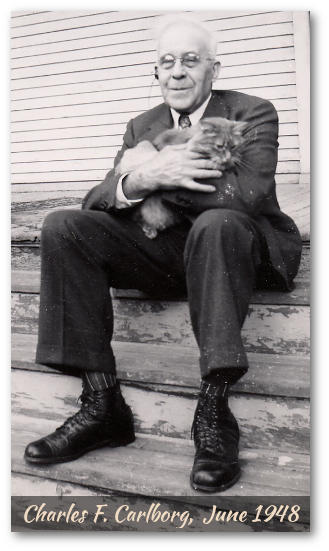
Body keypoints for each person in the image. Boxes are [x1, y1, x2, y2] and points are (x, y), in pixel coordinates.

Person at [24, 17, 302, 493]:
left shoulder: (252, 112)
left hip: (238, 247)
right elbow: (102, 198)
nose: (177, 72)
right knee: (64, 225)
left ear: (214, 68)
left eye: (191, 60)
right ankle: (101, 405)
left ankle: (213, 409)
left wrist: (158, 172)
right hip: (169, 252)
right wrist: (139, 180)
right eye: (166, 62)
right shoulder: (142, 125)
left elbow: (245, 195)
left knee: (219, 222)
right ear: (155, 72)